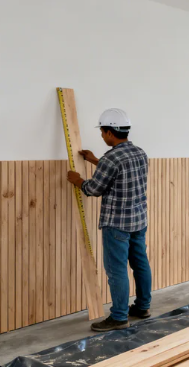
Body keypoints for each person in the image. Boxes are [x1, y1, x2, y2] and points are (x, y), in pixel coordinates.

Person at [66, 108, 152, 332]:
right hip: (138, 219)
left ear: (110, 133)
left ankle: (119, 317)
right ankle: (143, 307)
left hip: (117, 224)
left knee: (116, 270)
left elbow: (94, 189)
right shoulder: (140, 152)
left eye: (103, 132)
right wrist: (95, 160)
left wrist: (77, 180)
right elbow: (120, 174)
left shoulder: (111, 158)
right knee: (140, 263)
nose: (102, 136)